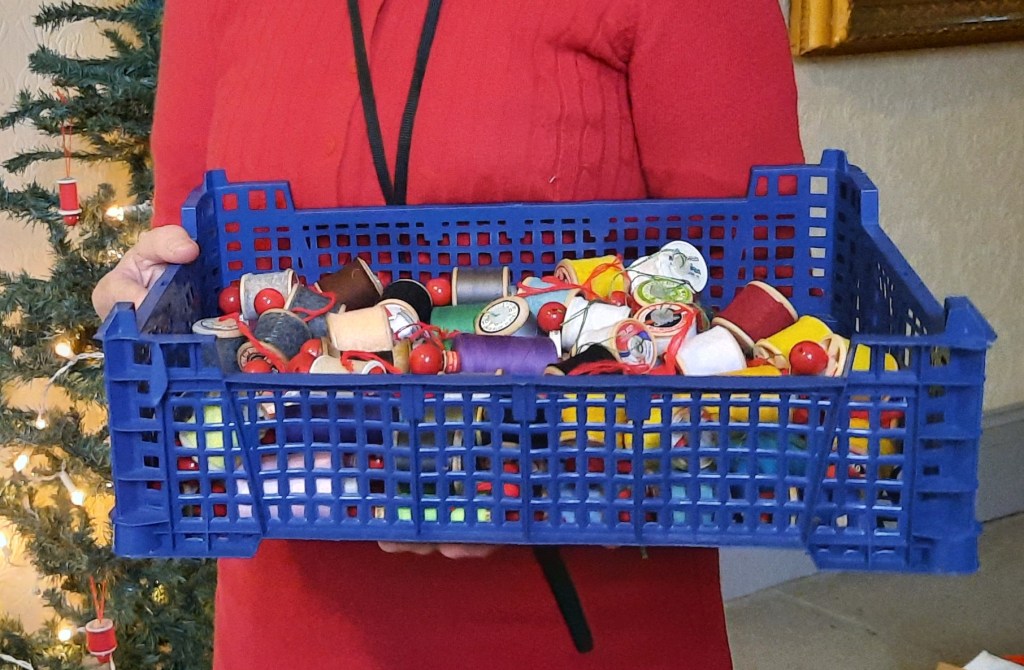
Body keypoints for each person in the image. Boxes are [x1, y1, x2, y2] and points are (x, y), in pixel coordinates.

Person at [93, 1, 803, 668]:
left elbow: (765, 304)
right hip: (292, 607)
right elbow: (197, 260)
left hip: (572, 615)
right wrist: (142, 297)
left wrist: (531, 471)